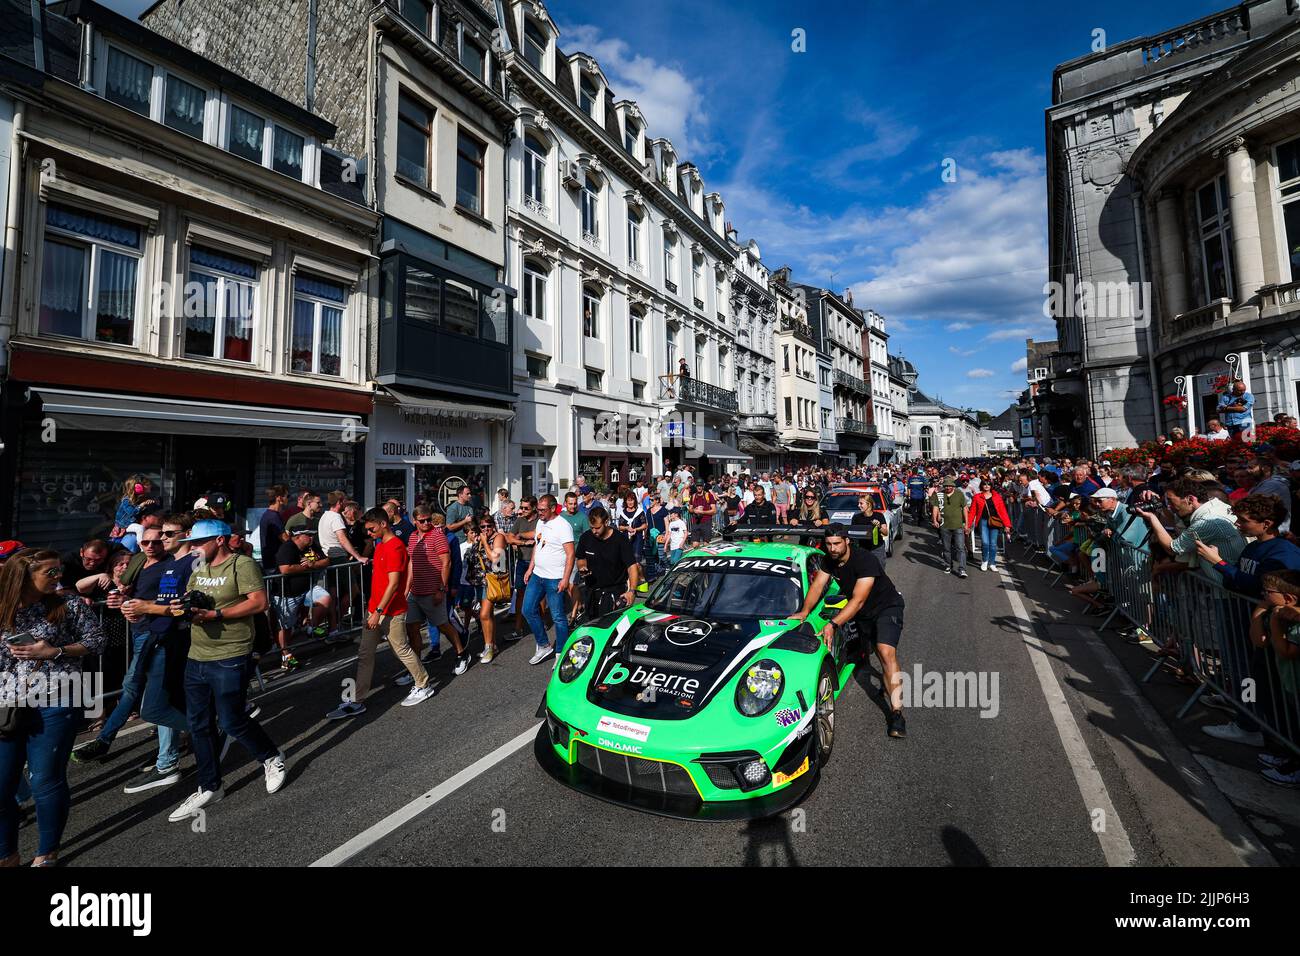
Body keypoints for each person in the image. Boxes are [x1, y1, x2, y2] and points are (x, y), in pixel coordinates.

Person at [165, 520, 287, 823]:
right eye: (190, 542)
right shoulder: (198, 567)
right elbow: (192, 599)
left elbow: (259, 602)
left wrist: (217, 613)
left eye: (198, 542)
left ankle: (271, 757)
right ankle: (210, 786)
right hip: (197, 654)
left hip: (231, 654)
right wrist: (184, 609)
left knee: (232, 719)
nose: (192, 547)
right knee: (199, 724)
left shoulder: (241, 564)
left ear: (219, 540)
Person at [1, 548, 107, 866]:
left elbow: (98, 639)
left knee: (45, 778)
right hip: (7, 703)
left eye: (59, 570)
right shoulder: (3, 606)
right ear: (24, 575)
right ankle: (6, 854)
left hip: (57, 698)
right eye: (50, 572)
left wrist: (55, 651)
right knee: (2, 784)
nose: (59, 577)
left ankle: (46, 852)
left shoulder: (67, 604)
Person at [70, 527, 193, 794]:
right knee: (144, 695)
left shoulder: (173, 565)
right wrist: (124, 601)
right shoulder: (139, 561)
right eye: (145, 541)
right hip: (141, 635)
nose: (151, 545)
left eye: (157, 540)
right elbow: (128, 592)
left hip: (160, 636)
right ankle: (165, 755)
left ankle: (171, 754)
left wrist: (143, 607)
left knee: (152, 699)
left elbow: (175, 605)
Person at [791, 524, 907, 738]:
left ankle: (897, 713)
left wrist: (833, 624)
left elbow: (858, 600)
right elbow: (817, 587)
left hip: (886, 607)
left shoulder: (865, 560)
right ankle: (888, 681)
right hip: (863, 616)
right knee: (874, 653)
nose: (832, 548)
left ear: (847, 541)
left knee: (885, 652)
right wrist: (804, 612)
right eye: (828, 544)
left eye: (837, 543)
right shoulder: (829, 560)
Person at [327, 508, 435, 720]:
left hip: (390, 611)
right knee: (365, 654)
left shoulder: (395, 547)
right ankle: (357, 700)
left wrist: (378, 611)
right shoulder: (380, 545)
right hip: (375, 610)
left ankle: (423, 684)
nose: (369, 533)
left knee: (401, 650)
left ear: (383, 524)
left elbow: (394, 583)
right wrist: (373, 610)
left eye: (371, 528)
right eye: (367, 529)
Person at [405, 505, 470, 673]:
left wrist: (442, 589)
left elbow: (446, 563)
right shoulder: (412, 537)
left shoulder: (438, 536)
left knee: (442, 625)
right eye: (422, 521)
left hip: (433, 590)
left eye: (428, 520)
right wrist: (407, 588)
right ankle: (416, 668)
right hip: (415, 591)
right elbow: (412, 562)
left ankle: (461, 653)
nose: (427, 523)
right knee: (412, 629)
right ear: (415, 521)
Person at [1251, 570, 1300, 786]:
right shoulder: (1275, 612)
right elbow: (1259, 641)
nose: (1263, 594)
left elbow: (1286, 651)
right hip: (1288, 682)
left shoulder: (1289, 620)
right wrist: (1262, 607)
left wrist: (1274, 625)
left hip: (1295, 681)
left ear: (1289, 598)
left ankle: (1295, 769)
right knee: (1292, 722)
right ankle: (1290, 755)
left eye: (1267, 592)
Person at [522, 494, 575, 665]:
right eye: (538, 509)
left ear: (553, 508)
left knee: (558, 616)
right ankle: (544, 645)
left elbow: (570, 554)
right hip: (538, 575)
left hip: (555, 578)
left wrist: (565, 578)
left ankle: (561, 653)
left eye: (543, 510)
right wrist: (530, 568)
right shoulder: (540, 522)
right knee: (528, 610)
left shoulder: (563, 526)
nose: (540, 513)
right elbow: (538, 543)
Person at [271, 526, 332, 672]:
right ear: (297, 536)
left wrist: (313, 564)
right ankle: (286, 656)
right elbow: (285, 569)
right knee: (285, 626)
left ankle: (311, 627)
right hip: (287, 593)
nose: (311, 537)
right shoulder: (287, 548)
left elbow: (327, 561)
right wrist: (306, 568)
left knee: (325, 598)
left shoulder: (312, 546)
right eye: (308, 535)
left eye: (312, 535)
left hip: (307, 589)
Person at [576, 507, 641, 621]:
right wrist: (582, 567)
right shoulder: (585, 538)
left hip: (614, 593)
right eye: (591, 528)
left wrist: (632, 591)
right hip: (591, 593)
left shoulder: (620, 539)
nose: (594, 532)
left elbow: (632, 567)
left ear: (606, 522)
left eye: (597, 528)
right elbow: (581, 558)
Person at [467, 514, 509, 665]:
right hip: (480, 580)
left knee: (484, 615)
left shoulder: (498, 537)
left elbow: (495, 558)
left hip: (492, 580)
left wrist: (484, 542)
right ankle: (491, 645)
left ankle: (489, 647)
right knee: (488, 615)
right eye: (482, 526)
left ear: (493, 525)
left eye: (489, 525)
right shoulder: (479, 538)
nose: (486, 529)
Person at [967, 479, 1011, 572]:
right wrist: (968, 525)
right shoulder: (977, 497)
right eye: (984, 484)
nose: (986, 486)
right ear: (981, 486)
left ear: (991, 486)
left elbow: (1003, 511)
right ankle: (985, 561)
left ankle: (992, 563)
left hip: (995, 522)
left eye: (989, 484)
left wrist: (1007, 525)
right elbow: (972, 512)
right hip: (983, 521)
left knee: (993, 544)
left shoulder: (997, 496)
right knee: (985, 543)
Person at [929, 479, 969, 578]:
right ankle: (948, 565)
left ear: (953, 486)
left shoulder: (959, 494)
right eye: (946, 486)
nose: (947, 487)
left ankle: (962, 569)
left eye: (949, 486)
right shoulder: (939, 495)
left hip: (958, 525)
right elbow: (935, 507)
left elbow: (964, 508)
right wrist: (934, 520)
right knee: (946, 548)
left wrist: (967, 524)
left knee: (960, 548)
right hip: (944, 525)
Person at [851, 492, 889, 564]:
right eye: (858, 503)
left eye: (861, 503)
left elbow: (886, 533)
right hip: (862, 549)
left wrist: (879, 526)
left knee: (879, 571)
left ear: (869, 504)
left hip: (877, 549)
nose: (858, 505)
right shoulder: (856, 518)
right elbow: (852, 535)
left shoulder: (879, 516)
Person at [688, 483, 717, 548]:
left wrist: (702, 512)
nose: (699, 487)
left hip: (706, 522)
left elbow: (714, 511)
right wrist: (694, 510)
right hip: (696, 522)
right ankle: (696, 558)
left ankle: (706, 557)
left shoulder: (709, 496)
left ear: (703, 486)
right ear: (696, 486)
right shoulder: (693, 496)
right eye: (698, 486)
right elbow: (690, 509)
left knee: (706, 545)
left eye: (700, 486)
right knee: (695, 545)